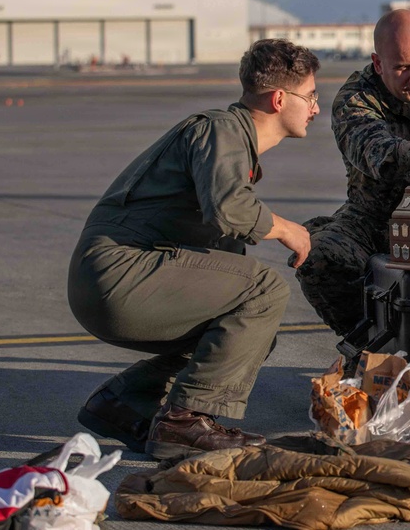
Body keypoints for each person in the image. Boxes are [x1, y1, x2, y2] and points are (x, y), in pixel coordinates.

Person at [69, 38, 320, 461]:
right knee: (265, 290)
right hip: (119, 275)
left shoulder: (232, 143)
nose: (315, 108)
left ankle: (124, 403)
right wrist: (287, 229)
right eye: (311, 96)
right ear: (280, 99)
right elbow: (231, 211)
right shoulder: (220, 129)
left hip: (114, 279)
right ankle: (185, 424)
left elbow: (221, 246)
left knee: (249, 334)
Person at [296, 10, 410, 337]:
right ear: (378, 64)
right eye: (401, 67)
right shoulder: (356, 96)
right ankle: (372, 343)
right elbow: (373, 150)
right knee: (320, 256)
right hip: (381, 215)